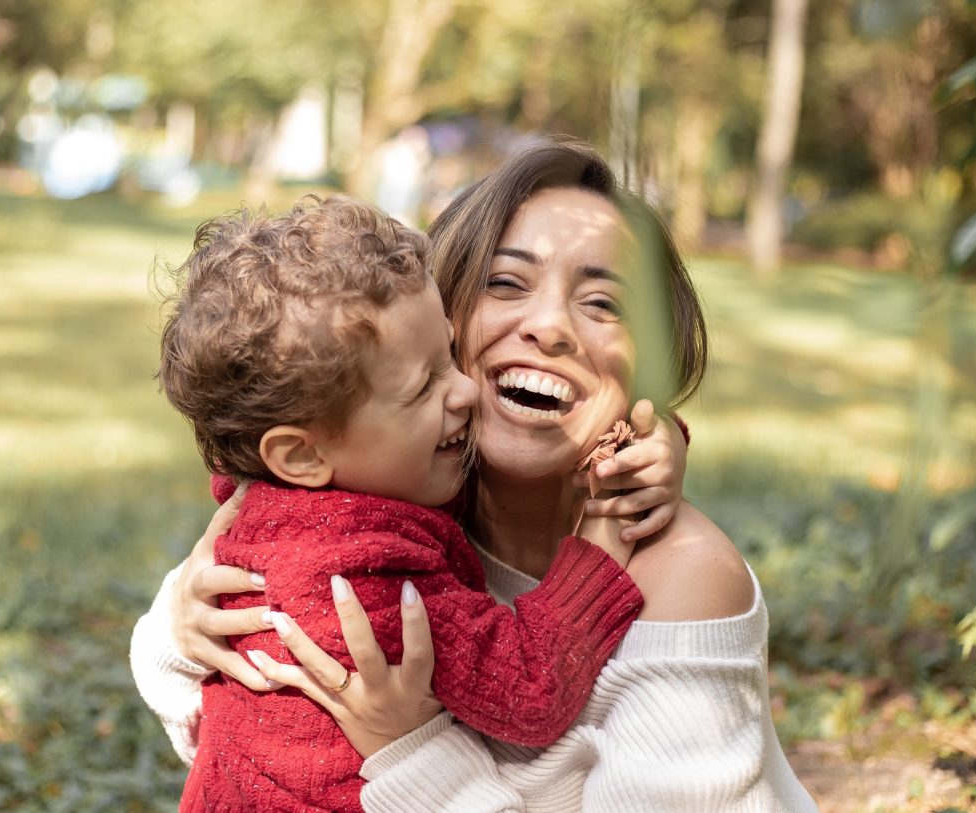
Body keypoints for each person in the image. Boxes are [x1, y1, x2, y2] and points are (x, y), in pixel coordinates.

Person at [133, 138, 818, 810]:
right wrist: (181, 627)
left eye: (604, 302)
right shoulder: (376, 513)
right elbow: (211, 700)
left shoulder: (687, 578)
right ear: (446, 309)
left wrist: (406, 749)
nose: (549, 326)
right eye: (506, 282)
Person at [156, 195, 660, 812]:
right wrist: (602, 538)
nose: (466, 388)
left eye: (449, 355)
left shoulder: (281, 498)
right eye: (425, 384)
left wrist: (642, 445)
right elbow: (529, 687)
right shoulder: (364, 579)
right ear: (301, 456)